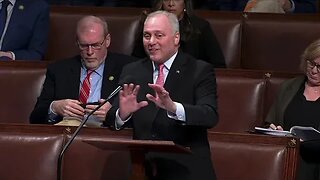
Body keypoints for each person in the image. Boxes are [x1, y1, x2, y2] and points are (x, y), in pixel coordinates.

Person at [105, 10, 218, 180]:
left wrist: (174, 108)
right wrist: (123, 114)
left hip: (187, 171)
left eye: (159, 35)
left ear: (176, 38)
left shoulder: (199, 70)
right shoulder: (132, 71)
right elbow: (112, 117)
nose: (151, 42)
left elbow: (210, 115)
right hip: (143, 171)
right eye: (147, 35)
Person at [29, 15, 137, 126]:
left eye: (96, 45)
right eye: (84, 45)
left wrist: (115, 114)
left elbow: (143, 119)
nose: (90, 52)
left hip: (106, 136)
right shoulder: (59, 70)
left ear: (107, 41)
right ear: (77, 42)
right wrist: (55, 107)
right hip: (67, 135)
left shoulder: (129, 68)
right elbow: (35, 118)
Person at [265, 39, 320, 180]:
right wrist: (275, 130)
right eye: (311, 63)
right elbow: (269, 122)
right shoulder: (289, 87)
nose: (314, 70)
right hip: (289, 158)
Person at [132, 0, 226, 68]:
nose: (171, 4)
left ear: (185, 2)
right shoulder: (150, 24)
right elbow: (135, 60)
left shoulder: (200, 27)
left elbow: (218, 65)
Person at [216, 0, 317, 13]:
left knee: (269, 4)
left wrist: (289, 5)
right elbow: (223, 5)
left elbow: (311, 8)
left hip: (282, 22)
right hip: (241, 18)